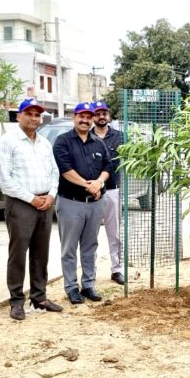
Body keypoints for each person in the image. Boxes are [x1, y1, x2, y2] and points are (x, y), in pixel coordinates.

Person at [0, 98, 62, 320]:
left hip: (45, 203)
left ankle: (39, 297)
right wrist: (32, 199)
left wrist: (51, 195)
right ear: (19, 116)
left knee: (41, 253)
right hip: (21, 204)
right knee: (18, 254)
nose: (34, 118)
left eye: (37, 115)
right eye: (29, 114)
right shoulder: (7, 141)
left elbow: (54, 172)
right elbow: (4, 179)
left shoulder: (44, 143)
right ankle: (16, 301)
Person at [52, 102, 113, 304]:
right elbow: (65, 169)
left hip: (95, 204)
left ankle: (89, 285)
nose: (85, 120)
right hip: (71, 202)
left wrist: (100, 182)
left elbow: (108, 165)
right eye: (82, 116)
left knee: (90, 246)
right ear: (74, 117)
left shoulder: (98, 142)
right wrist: (89, 185)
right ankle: (71, 287)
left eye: (89, 117)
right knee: (69, 248)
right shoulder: (63, 141)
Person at [91, 100, 129, 286]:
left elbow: (130, 158)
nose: (101, 116)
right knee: (90, 234)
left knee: (114, 233)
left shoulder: (120, 136)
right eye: (98, 113)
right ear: (93, 116)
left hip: (113, 189)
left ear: (109, 115)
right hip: (90, 192)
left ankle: (116, 269)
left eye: (104, 112)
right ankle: (91, 272)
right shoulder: (86, 136)